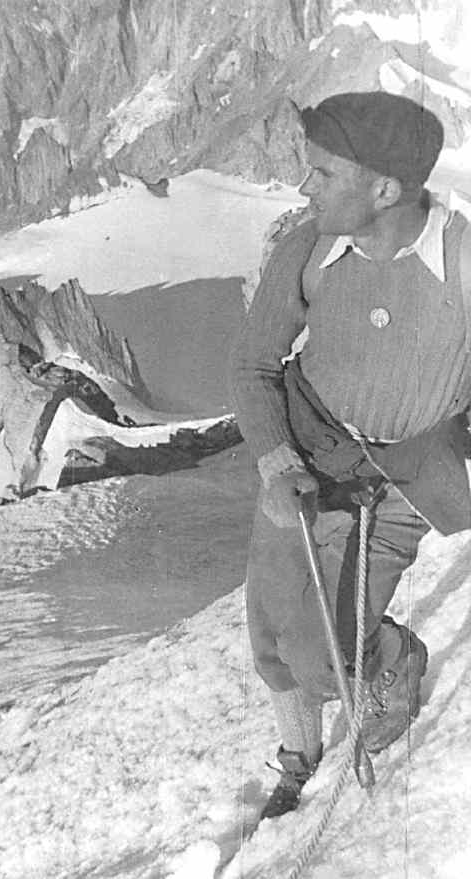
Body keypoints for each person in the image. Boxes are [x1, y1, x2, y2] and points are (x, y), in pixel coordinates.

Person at [229, 91, 471, 819]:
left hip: (405, 476)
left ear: (385, 189)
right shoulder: (309, 247)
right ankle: (299, 756)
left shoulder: (462, 260)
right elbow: (253, 365)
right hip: (308, 452)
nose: (305, 188)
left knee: (319, 645)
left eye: (323, 174)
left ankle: (394, 664)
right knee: (270, 627)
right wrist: (277, 462)